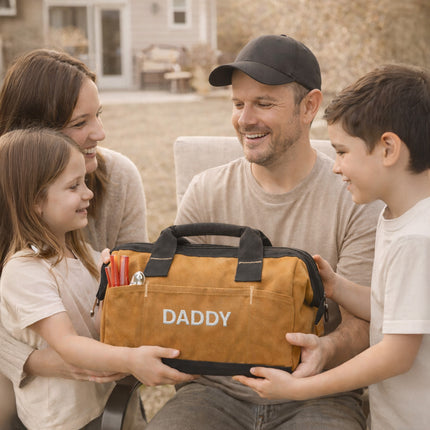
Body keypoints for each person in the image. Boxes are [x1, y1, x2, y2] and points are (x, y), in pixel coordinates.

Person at [146, 34, 383, 430]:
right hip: (213, 393)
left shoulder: (355, 197)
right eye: (238, 104)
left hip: (319, 394)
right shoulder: (206, 190)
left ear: (309, 107)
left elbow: (366, 318)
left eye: (264, 103)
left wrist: (325, 349)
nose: (245, 119)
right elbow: (173, 298)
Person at [234, 64, 430, 430]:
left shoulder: (415, 240)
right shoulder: (399, 218)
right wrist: (338, 287)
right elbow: (396, 310)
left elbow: (396, 355)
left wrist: (299, 389)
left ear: (388, 148)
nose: (336, 167)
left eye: (342, 152)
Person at [0, 48, 159, 428]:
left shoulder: (118, 176)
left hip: (97, 379)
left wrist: (129, 282)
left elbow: (127, 298)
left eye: (98, 115)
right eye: (80, 122)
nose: (100, 134)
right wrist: (38, 361)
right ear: (32, 135)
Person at [0, 128, 194, 429]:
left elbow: (103, 327)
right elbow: (66, 344)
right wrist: (131, 361)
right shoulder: (24, 271)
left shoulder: (86, 255)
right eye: (74, 186)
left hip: (106, 407)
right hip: (65, 421)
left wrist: (116, 290)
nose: (88, 193)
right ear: (37, 200)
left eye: (85, 183)